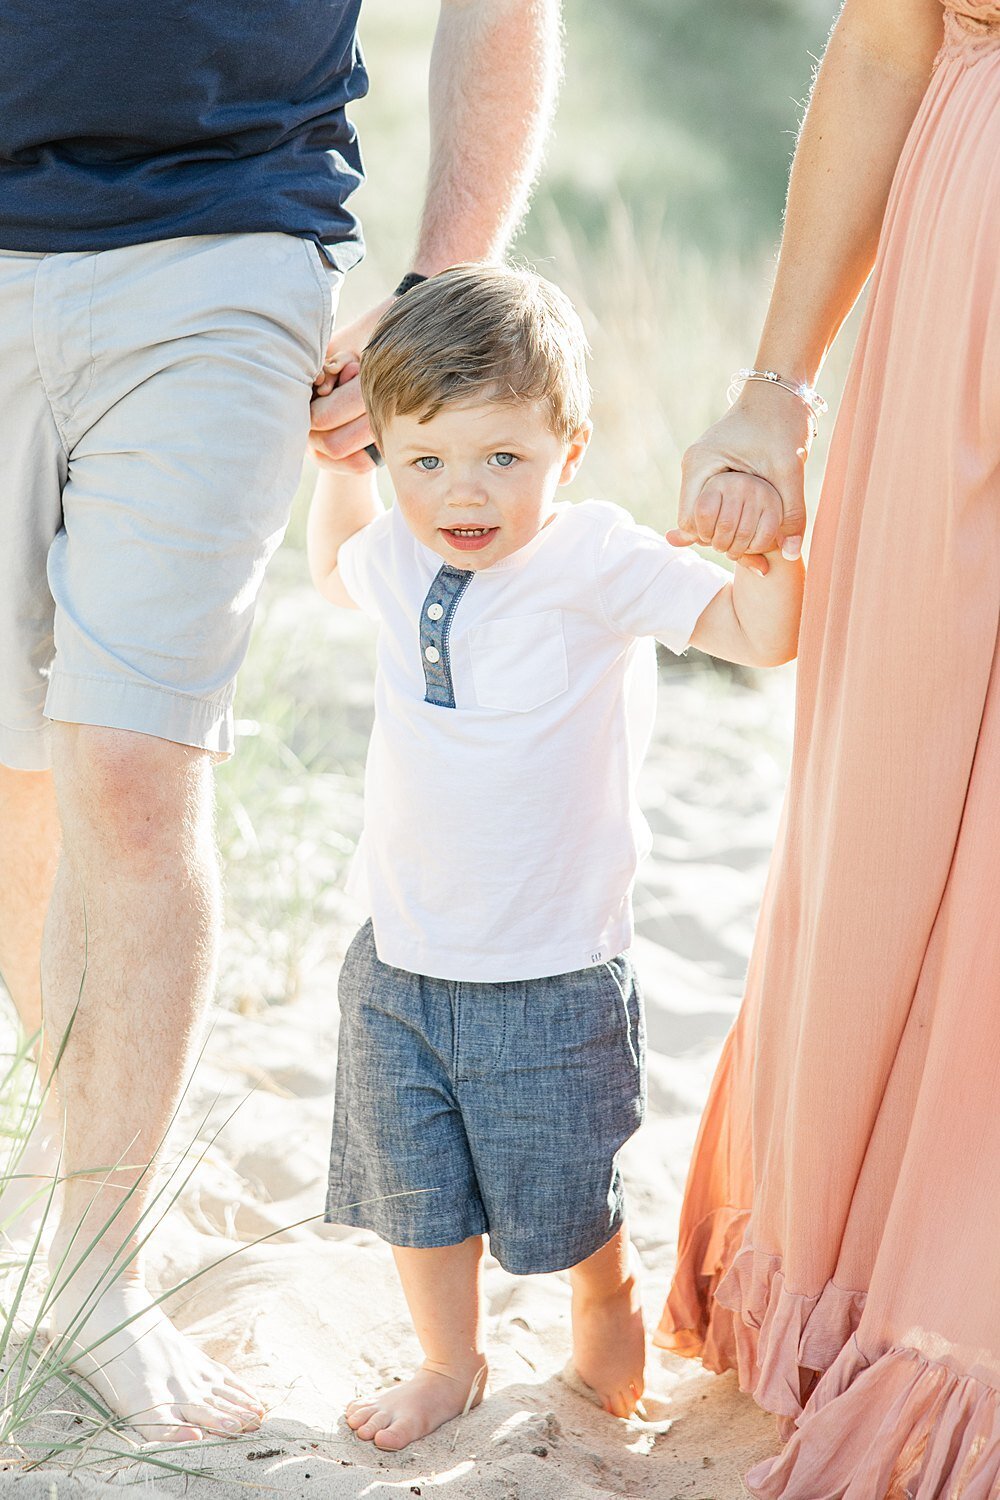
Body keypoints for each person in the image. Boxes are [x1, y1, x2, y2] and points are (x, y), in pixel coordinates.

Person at [0, 0, 563, 1445]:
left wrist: (442, 287)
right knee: (15, 776)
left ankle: (101, 1279)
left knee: (128, 770)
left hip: (225, 239)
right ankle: (92, 1187)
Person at [306, 263, 804, 1452]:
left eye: (502, 460)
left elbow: (757, 637)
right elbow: (336, 574)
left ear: (566, 452)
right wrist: (331, 481)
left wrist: (764, 559)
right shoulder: (401, 556)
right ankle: (449, 1362)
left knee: (569, 1206)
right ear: (384, 452)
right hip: (402, 965)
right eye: (423, 461)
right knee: (418, 1205)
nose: (461, 493)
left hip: (553, 973)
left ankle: (600, 1321)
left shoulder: (593, 558)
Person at [657, 1, 1000, 1494]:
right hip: (962, 291)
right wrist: (774, 393)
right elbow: (883, 46)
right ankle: (867, 1282)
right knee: (896, 797)